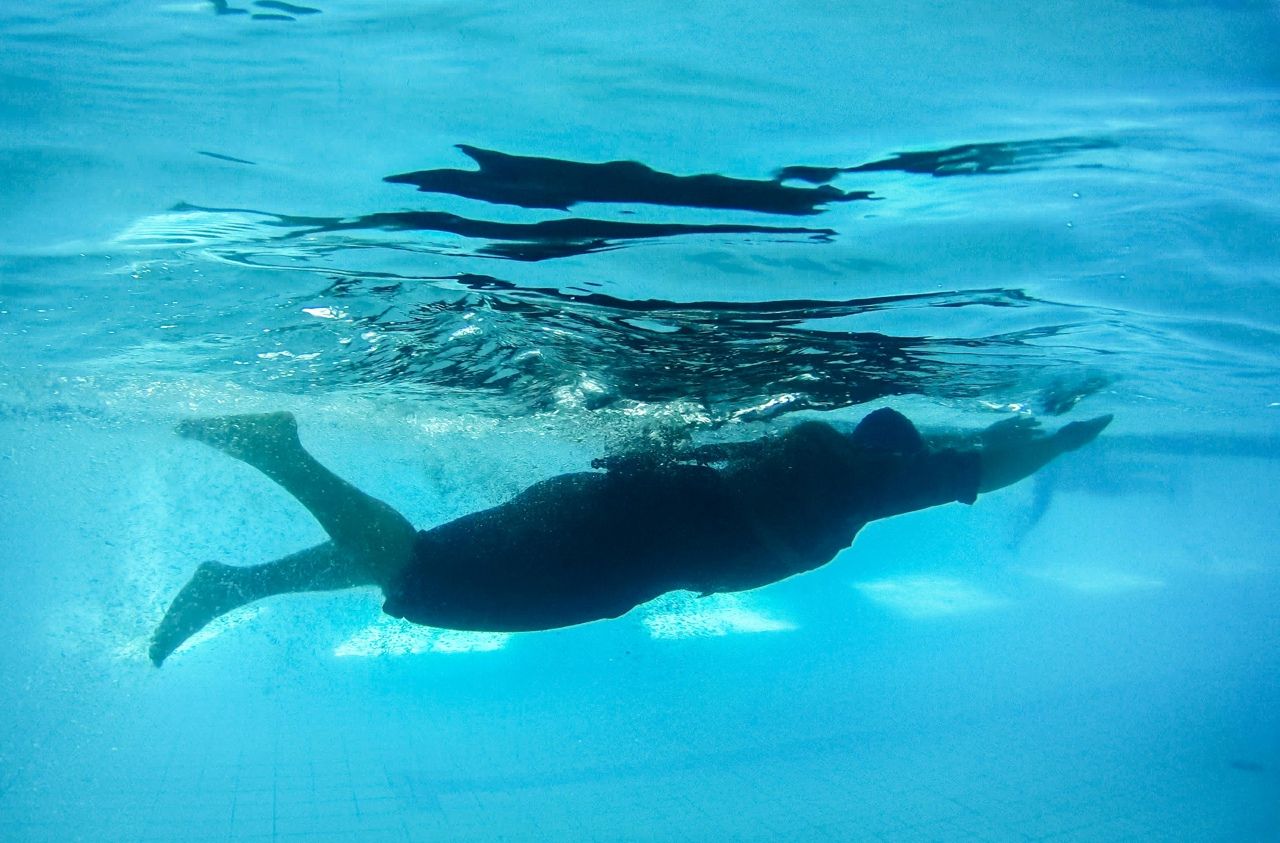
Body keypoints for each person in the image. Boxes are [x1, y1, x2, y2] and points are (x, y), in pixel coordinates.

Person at [149, 408, 1112, 666]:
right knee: (427, 578)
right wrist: (1055, 439)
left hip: (602, 520)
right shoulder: (865, 491)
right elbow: (984, 465)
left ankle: (239, 583)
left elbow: (984, 457)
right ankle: (276, 450)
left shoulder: (811, 459)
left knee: (424, 560)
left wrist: (1050, 436)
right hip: (610, 550)